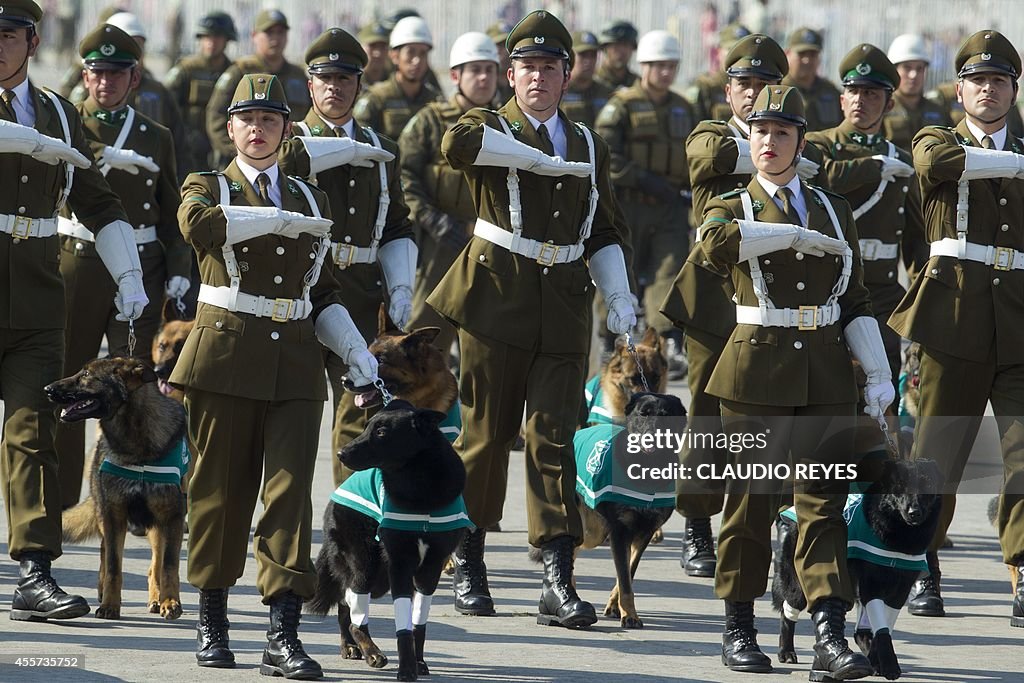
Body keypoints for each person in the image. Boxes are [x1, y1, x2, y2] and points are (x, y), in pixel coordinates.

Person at [427, 9, 633, 629]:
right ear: (509, 75)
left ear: (567, 75)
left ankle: (556, 574)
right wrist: (519, 150)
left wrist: (619, 294)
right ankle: (469, 559)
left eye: (549, 67)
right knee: (486, 437)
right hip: (496, 297)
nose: (537, 77)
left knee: (553, 438)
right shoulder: (490, 125)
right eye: (525, 67)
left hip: (564, 304)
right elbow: (454, 147)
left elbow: (603, 227)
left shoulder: (589, 142)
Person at [172, 73, 377, 676]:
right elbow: (199, 228)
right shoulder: (206, 185)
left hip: (293, 364)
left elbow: (325, 292)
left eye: (269, 120)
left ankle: (281, 633)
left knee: (288, 498)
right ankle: (213, 622)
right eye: (247, 120)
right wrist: (270, 221)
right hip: (224, 356)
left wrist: (356, 352)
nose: (257, 129)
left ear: (287, 131)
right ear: (230, 128)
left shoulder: (312, 199)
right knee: (220, 494)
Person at [700, 84, 888, 679]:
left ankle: (828, 634)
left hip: (826, 372)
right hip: (755, 369)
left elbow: (855, 298)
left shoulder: (833, 208)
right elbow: (715, 247)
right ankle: (739, 626)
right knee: (751, 504)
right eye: (759, 132)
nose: (768, 143)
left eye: (781, 133)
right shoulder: (732, 205)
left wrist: (878, 372)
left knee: (822, 507)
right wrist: (788, 236)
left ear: (801, 142)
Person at [0, 0, 147, 622]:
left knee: (36, 434)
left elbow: (99, 199)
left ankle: (35, 570)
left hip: (36, 296)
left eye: (7, 34)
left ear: (32, 41)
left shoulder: (60, 114)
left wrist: (130, 275)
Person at [662, 32, 825, 577]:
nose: (752, 95)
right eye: (743, 84)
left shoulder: (798, 139)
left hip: (774, 304)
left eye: (764, 85)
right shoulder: (710, 134)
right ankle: (696, 523)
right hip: (714, 299)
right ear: (727, 88)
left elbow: (820, 168)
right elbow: (716, 156)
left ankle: (769, 525)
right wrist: (775, 142)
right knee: (706, 420)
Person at [889, 29, 1024, 628]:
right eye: (977, 81)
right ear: (959, 89)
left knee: (1023, 458)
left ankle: (1023, 569)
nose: (988, 91)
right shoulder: (935, 137)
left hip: (1020, 318)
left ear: (1013, 91)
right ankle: (922, 562)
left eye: (999, 81)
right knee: (938, 453)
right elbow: (936, 164)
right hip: (953, 316)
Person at [53, 23, 191, 509]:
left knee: (137, 383)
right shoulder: (65, 125)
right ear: (85, 77)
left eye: (117, 73)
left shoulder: (156, 135)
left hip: (144, 265)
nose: (105, 82)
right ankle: (65, 498)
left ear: (135, 79)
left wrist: (179, 264)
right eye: (97, 72)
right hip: (80, 264)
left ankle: (140, 488)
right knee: (72, 381)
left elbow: (172, 203)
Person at [278, 28, 415, 484]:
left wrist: (401, 286)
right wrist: (351, 149)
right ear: (309, 84)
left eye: (345, 78)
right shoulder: (287, 139)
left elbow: (397, 223)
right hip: (298, 287)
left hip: (358, 290)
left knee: (360, 411)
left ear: (360, 84)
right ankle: (287, 525)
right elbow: (290, 165)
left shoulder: (383, 149)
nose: (335, 87)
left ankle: (351, 517)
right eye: (325, 78)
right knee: (291, 416)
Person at [807, 43, 928, 417]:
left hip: (881, 293)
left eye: (872, 94)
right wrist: (873, 167)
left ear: (889, 104)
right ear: (842, 100)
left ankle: (875, 470)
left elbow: (916, 242)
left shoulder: (901, 162)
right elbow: (819, 177)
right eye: (853, 92)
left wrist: (922, 307)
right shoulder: (816, 145)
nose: (861, 100)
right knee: (826, 397)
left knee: (881, 397)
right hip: (823, 288)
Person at [595, 30, 695, 373]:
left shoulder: (684, 107)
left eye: (670, 65)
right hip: (628, 204)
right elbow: (606, 155)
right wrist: (644, 180)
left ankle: (667, 339)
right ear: (644, 66)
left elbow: (693, 156)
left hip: (669, 207)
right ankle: (610, 342)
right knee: (619, 270)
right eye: (658, 65)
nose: (665, 72)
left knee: (669, 271)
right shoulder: (620, 105)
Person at [400, 31, 500, 363]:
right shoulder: (429, 121)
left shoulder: (506, 125)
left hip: (490, 243)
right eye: (475, 70)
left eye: (489, 69)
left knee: (486, 338)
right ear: (455, 76)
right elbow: (403, 176)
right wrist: (435, 222)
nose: (484, 77)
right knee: (424, 332)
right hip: (438, 242)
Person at [205, 9, 311, 168]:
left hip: (290, 164)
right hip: (244, 165)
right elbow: (216, 115)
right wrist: (244, 152)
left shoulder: (298, 76)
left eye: (280, 32)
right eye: (269, 33)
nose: (275, 38)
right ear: (254, 36)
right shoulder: (240, 71)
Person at [164, 11, 237, 171]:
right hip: (188, 148)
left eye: (217, 37)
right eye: (206, 37)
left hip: (222, 150)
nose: (211, 42)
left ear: (227, 40)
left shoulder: (234, 72)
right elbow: (166, 103)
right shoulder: (186, 69)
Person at [352, 16, 443, 141]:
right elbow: (360, 141)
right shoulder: (376, 99)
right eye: (410, 52)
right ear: (394, 56)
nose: (417, 60)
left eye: (423, 53)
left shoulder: (436, 101)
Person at [881, 34, 952, 152]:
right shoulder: (882, 109)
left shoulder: (938, 110)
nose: (913, 75)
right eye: (907, 68)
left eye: (919, 69)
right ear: (894, 70)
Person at [685, 22, 751, 122]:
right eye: (730, 49)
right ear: (718, 52)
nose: (737, 56)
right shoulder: (705, 86)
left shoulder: (758, 87)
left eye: (743, 50)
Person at [782, 27, 842, 131]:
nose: (807, 60)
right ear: (787, 54)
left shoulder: (831, 91)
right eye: (801, 54)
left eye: (812, 55)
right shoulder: (779, 90)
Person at [562, 30, 612, 128]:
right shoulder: (558, 91)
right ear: (570, 56)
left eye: (593, 55)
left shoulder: (606, 92)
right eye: (583, 55)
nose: (588, 61)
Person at [594, 19, 638, 91]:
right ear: (605, 48)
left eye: (626, 45)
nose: (622, 50)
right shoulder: (591, 80)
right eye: (616, 46)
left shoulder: (638, 84)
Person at [357, 21, 392, 87]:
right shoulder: (353, 79)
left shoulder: (395, 79)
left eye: (383, 47)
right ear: (361, 47)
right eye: (372, 46)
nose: (378, 53)